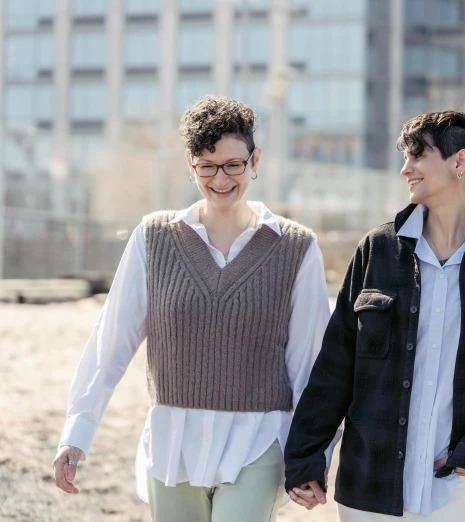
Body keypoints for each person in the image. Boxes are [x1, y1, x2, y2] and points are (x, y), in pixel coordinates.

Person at [52, 95, 337, 522]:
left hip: (258, 441)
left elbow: (311, 365)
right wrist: (77, 432)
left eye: (233, 164)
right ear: (191, 164)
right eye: (207, 165)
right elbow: (110, 341)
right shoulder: (154, 238)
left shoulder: (297, 248)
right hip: (172, 443)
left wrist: (314, 454)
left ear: (255, 160)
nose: (221, 178)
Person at [284, 110, 465, 521]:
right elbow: (336, 362)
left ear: (460, 162)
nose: (406, 169)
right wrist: (306, 455)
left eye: (418, 155)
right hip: (372, 485)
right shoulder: (379, 249)